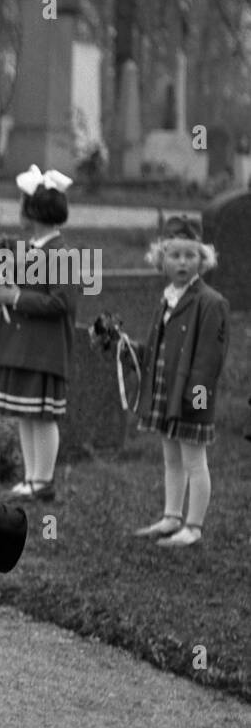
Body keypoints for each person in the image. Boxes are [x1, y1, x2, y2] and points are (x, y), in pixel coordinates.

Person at [132, 215, 229, 548]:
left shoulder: (210, 302)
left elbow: (209, 360)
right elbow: (158, 348)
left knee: (194, 460)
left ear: (203, 259)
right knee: (171, 458)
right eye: (175, 255)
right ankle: (171, 516)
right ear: (162, 259)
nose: (183, 262)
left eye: (191, 255)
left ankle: (193, 525)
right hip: (165, 393)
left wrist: (198, 402)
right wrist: (127, 350)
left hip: (190, 398)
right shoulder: (167, 298)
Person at [0, 165, 76, 502]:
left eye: (22, 203)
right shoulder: (29, 249)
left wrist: (17, 297)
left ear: (33, 210)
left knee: (43, 414)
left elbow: (61, 302)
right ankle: (31, 477)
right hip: (24, 345)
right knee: (27, 413)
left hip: (45, 348)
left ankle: (44, 480)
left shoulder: (61, 253)